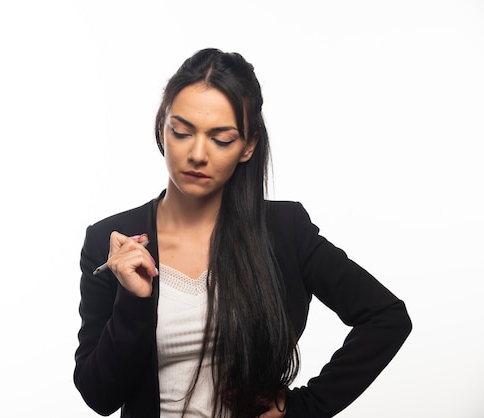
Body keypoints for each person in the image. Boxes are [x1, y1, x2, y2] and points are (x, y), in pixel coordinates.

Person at [74, 48, 412, 418]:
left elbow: (386, 317)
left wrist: (303, 408)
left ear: (248, 146)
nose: (198, 154)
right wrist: (132, 302)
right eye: (182, 131)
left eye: (221, 139)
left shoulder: (285, 231)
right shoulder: (113, 241)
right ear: (162, 128)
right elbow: (99, 396)